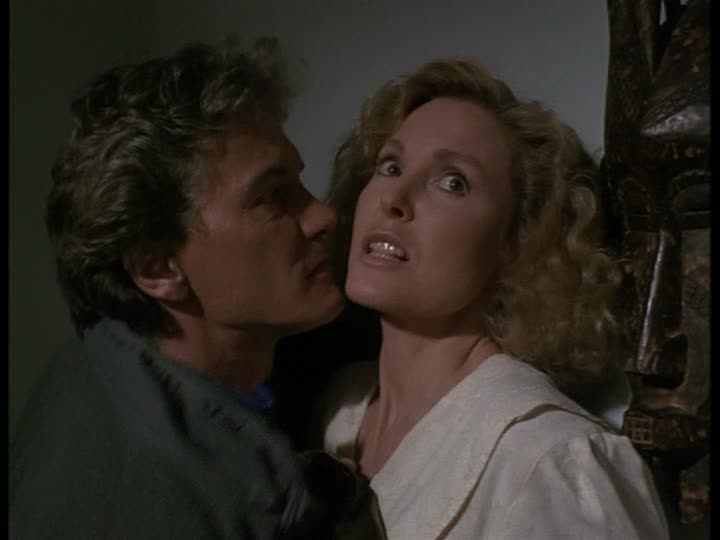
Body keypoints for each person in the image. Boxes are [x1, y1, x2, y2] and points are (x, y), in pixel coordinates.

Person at [9, 37, 360, 539]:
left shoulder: (107, 359)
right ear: (157, 268)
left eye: (300, 185)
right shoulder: (165, 496)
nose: (323, 216)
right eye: (272, 197)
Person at [318, 58, 670, 539]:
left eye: (452, 182)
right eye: (390, 165)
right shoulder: (340, 410)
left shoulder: (552, 462)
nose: (393, 198)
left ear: (517, 243)